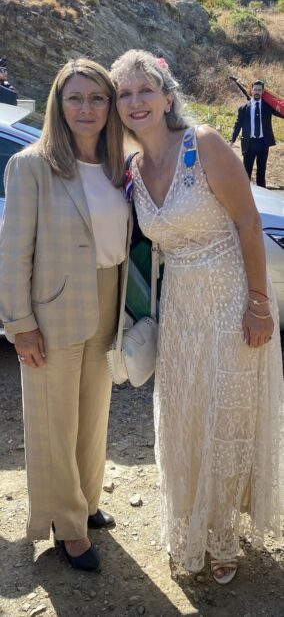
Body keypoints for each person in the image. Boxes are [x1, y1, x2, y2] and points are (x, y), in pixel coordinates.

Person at [111, 50, 284, 584]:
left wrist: (259, 304)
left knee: (226, 417)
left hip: (231, 298)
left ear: (168, 96)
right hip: (181, 304)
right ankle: (189, 523)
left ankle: (223, 534)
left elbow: (250, 225)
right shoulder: (132, 170)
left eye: (146, 90)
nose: (136, 102)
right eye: (125, 94)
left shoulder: (203, 144)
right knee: (183, 415)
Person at [0, 58, 129, 571]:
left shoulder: (119, 164)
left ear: (110, 106)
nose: (87, 108)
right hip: (51, 310)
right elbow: (13, 253)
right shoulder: (31, 164)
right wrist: (20, 324)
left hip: (105, 300)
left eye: (97, 98)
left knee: (93, 416)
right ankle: (67, 527)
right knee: (54, 421)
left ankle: (86, 503)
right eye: (75, 98)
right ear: (57, 103)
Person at [229, 80, 283, 188]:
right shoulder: (243, 108)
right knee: (246, 173)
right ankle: (246, 197)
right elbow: (237, 125)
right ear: (251, 91)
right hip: (249, 144)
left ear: (263, 92)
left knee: (261, 173)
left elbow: (281, 113)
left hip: (263, 143)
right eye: (255, 90)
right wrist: (232, 140)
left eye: (259, 90)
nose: (257, 92)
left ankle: (261, 199)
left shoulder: (268, 107)